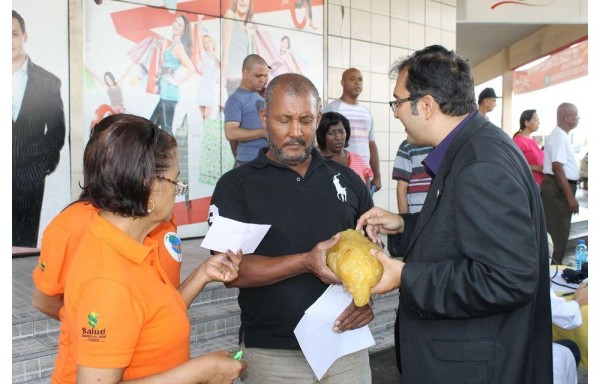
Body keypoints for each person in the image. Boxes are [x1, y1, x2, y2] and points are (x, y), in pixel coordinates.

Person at [355, 45, 552, 383]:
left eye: (397, 102)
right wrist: (404, 222)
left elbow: (508, 278)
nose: (396, 113)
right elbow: (464, 232)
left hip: (474, 367)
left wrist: (406, 276)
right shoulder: (472, 147)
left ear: (427, 105)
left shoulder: (480, 163)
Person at [52, 114, 246, 383]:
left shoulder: (133, 244)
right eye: (176, 181)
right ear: (150, 185)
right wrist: (200, 372)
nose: (178, 191)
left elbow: (153, 316)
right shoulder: (108, 279)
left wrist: (202, 274)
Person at [209, 73, 375, 383]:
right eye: (284, 120)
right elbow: (229, 271)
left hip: (346, 349)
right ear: (264, 117)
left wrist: (366, 301)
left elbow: (372, 256)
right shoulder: (235, 186)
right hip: (273, 356)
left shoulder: (349, 181)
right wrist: (305, 262)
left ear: (319, 118)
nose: (296, 132)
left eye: (306, 120)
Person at [12, 10, 66, 248]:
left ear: (25, 35)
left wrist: (41, 167)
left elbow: (56, 131)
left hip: (29, 180)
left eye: (12, 34)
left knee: (23, 247)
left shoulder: (47, 81)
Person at [323, 68, 381, 193]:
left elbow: (371, 144)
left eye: (360, 79)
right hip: (339, 172)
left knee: (366, 211)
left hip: (363, 175)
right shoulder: (332, 109)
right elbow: (321, 142)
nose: (357, 82)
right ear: (342, 82)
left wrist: (377, 175)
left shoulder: (366, 113)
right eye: (352, 79)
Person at [541, 103, 580, 264]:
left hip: (558, 188)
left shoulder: (561, 136)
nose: (578, 119)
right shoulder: (559, 136)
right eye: (576, 115)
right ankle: (553, 275)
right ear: (567, 117)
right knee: (557, 234)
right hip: (558, 190)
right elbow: (557, 167)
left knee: (559, 233)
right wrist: (570, 197)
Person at [149, 14, 196, 136]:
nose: (175, 25)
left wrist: (177, 82)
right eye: (175, 22)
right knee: (150, 127)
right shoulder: (172, 44)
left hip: (169, 93)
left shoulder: (178, 47)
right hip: (165, 92)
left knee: (166, 131)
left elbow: (192, 69)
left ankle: (172, 155)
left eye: (180, 25)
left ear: (183, 31)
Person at [223, 54, 269, 167]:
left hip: (265, 161)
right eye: (258, 76)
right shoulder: (235, 99)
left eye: (265, 75)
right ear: (245, 73)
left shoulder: (260, 97)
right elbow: (230, 133)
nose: (263, 80)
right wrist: (263, 133)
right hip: (248, 162)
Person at [316, 111, 373, 185]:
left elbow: (366, 194)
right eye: (331, 133)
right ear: (322, 135)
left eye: (341, 132)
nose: (338, 137)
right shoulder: (316, 162)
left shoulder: (358, 160)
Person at [221, 0, 255, 97]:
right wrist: (222, 84)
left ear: (250, 4)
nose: (243, 1)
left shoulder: (246, 27)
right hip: (233, 79)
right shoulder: (230, 15)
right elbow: (225, 51)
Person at [194, 14, 220, 122]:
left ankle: (208, 137)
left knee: (208, 117)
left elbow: (220, 66)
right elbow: (199, 36)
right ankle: (204, 136)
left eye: (208, 41)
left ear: (212, 42)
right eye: (205, 43)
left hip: (211, 88)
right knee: (203, 117)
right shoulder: (204, 55)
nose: (206, 43)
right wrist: (199, 20)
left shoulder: (216, 56)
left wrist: (213, 54)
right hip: (202, 86)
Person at [513, 109, 544, 186]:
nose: (539, 123)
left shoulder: (531, 139)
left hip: (541, 183)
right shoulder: (518, 141)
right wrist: (537, 168)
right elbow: (514, 164)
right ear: (527, 123)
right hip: (530, 184)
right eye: (536, 120)